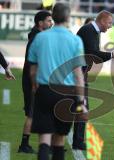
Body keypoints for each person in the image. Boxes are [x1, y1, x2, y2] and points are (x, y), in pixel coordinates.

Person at [28, 3, 86, 160]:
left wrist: (34, 86)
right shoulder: (75, 41)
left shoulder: (40, 37)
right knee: (59, 139)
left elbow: (33, 69)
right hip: (66, 93)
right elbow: (78, 74)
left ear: (53, 17)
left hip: (45, 90)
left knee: (44, 138)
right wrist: (81, 101)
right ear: (68, 18)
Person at [73, 10, 114, 150]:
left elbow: (93, 56)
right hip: (75, 76)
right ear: (102, 21)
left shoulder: (92, 30)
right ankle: (74, 142)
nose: (110, 26)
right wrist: (112, 54)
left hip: (79, 74)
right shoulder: (89, 30)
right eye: (109, 23)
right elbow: (93, 53)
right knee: (81, 109)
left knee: (79, 109)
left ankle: (76, 141)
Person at [18, 10, 53, 154]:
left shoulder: (37, 36)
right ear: (40, 23)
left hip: (34, 81)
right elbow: (36, 63)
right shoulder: (37, 38)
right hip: (34, 82)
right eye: (49, 21)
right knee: (33, 114)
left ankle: (43, 145)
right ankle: (25, 145)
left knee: (38, 113)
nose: (51, 23)